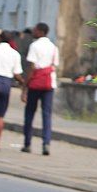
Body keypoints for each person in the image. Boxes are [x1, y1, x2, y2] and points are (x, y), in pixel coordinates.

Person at [22, 22, 59, 156]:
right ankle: (46, 143)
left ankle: (27, 143)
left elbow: (31, 67)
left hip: (36, 83)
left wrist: (25, 85)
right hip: (49, 84)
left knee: (30, 113)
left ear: (41, 32)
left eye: (35, 29)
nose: (33, 31)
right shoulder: (54, 47)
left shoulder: (34, 46)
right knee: (46, 114)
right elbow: (54, 65)